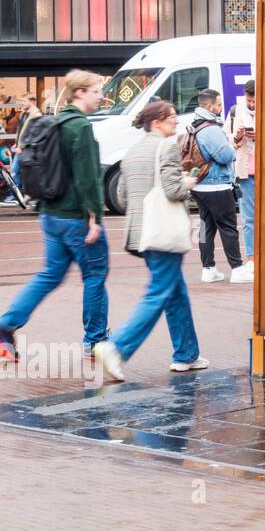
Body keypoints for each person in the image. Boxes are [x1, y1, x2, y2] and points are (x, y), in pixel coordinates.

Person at [94, 100, 208, 381]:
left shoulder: (131, 151)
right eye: (171, 119)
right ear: (156, 123)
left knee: (175, 291)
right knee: (159, 292)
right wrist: (189, 184)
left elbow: (121, 194)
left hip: (140, 232)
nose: (176, 123)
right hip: (162, 231)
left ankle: (186, 354)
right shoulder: (166, 146)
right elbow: (171, 189)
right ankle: (117, 347)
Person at [0, 71, 109, 364]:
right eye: (96, 90)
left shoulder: (53, 123)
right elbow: (87, 177)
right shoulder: (80, 127)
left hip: (49, 213)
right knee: (96, 275)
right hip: (75, 217)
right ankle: (95, 341)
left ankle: (5, 325)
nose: (100, 96)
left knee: (50, 275)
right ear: (79, 93)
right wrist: (95, 217)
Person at [188, 89, 253, 283]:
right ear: (209, 106)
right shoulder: (211, 129)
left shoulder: (194, 125)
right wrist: (231, 146)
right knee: (228, 227)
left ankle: (208, 268)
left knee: (206, 226)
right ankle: (237, 269)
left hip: (200, 185)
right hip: (216, 185)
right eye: (218, 104)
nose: (221, 107)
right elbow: (226, 156)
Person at [225, 79, 256, 266]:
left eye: (254, 101)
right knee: (248, 217)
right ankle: (251, 257)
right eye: (249, 100)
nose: (251, 104)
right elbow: (227, 141)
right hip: (245, 172)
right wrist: (237, 137)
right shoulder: (235, 111)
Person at [10, 93, 43, 188]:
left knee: (17, 171)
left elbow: (34, 135)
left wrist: (22, 147)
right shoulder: (23, 114)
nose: (22, 104)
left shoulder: (36, 116)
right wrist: (16, 144)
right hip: (20, 148)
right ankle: (21, 192)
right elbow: (21, 131)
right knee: (16, 172)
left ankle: (21, 193)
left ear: (32, 102)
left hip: (27, 150)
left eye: (24, 101)